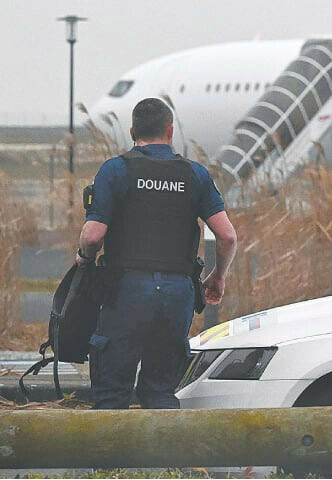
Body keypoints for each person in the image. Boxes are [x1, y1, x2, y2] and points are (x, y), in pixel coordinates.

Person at [76, 98, 237, 409]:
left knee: (111, 397)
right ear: (170, 131)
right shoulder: (195, 174)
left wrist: (84, 256)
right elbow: (228, 235)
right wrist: (218, 276)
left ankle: (111, 459)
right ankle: (165, 459)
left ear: (133, 130)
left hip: (125, 292)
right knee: (161, 395)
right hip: (177, 296)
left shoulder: (116, 170)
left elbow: (93, 235)